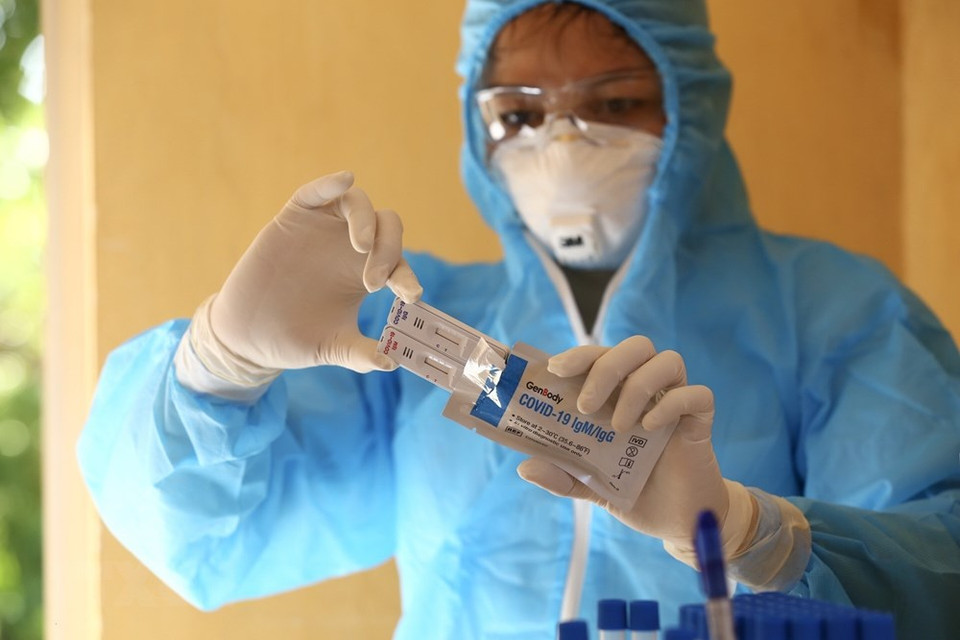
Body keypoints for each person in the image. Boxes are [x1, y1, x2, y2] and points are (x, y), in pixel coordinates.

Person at [77, 1, 960, 638]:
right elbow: (202, 540)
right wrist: (218, 365)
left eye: (614, 104)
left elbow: (942, 573)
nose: (564, 142)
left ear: (689, 105)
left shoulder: (837, 313)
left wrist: (748, 534)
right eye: (521, 113)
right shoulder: (413, 332)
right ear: (478, 127)